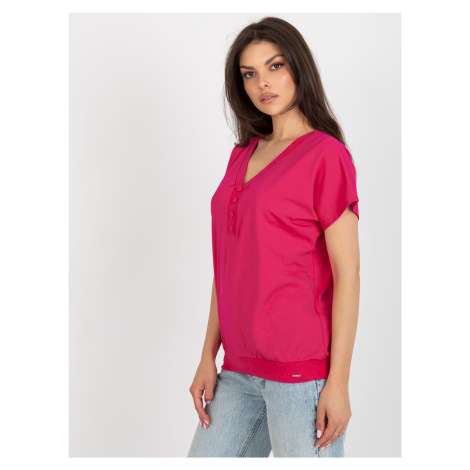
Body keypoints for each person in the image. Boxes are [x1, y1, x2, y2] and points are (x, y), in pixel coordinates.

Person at [187, 16, 360, 458]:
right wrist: (208, 355)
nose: (262, 83)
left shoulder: (326, 155)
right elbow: (229, 265)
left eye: (275, 66)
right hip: (237, 371)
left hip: (301, 374)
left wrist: (338, 382)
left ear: (298, 67)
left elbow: (348, 274)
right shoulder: (241, 154)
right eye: (249, 73)